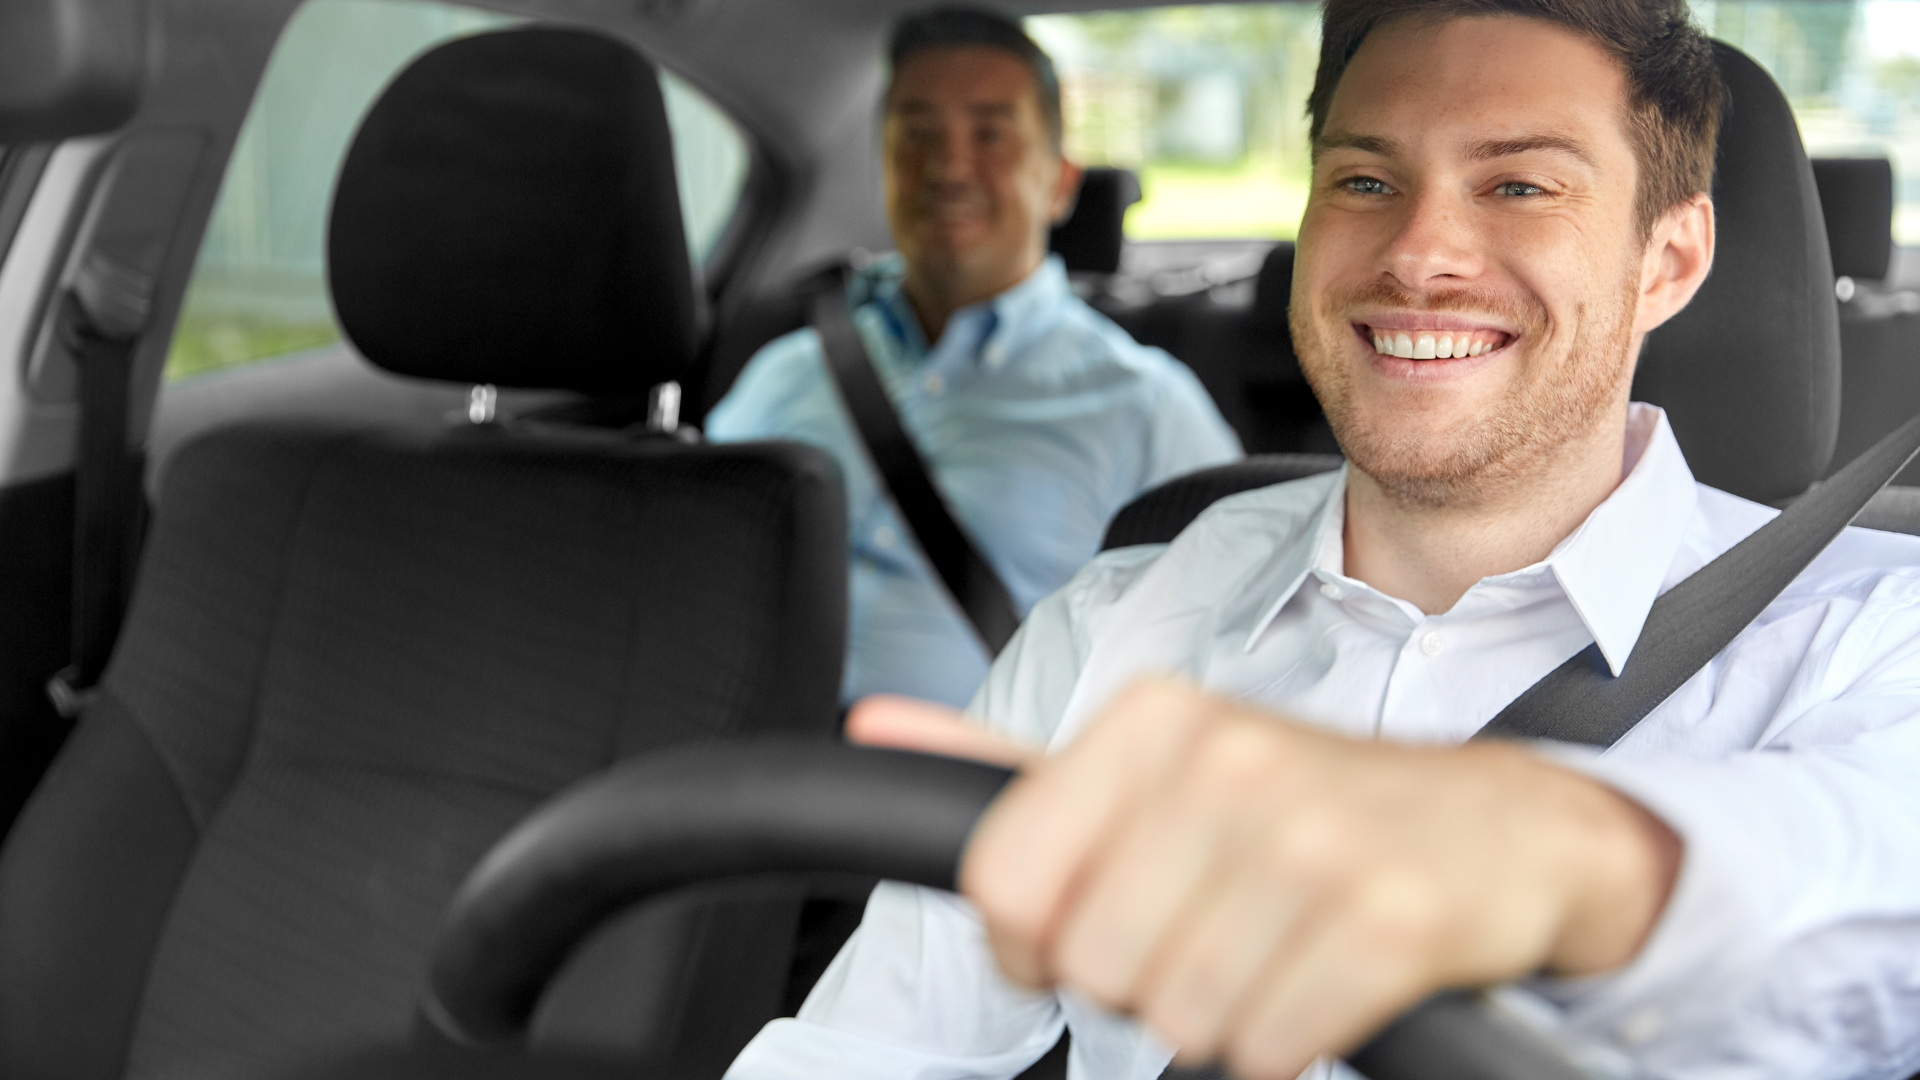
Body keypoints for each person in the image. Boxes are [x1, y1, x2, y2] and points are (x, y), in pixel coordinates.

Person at [726, 1, 1920, 1079]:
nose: (1417, 254)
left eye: (1518, 187)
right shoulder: (1113, 624)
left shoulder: (1872, 639)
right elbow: (868, 1052)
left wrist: (1559, 856)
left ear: (1669, 260)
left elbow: (1875, 896)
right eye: (1363, 182)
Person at [705, 7, 1241, 710]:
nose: (950, 167)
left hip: (976, 804)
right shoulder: (783, 373)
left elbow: (1226, 671)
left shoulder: (1148, 410)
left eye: (990, 133)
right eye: (918, 135)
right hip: (731, 787)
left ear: (1059, 182)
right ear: (884, 166)